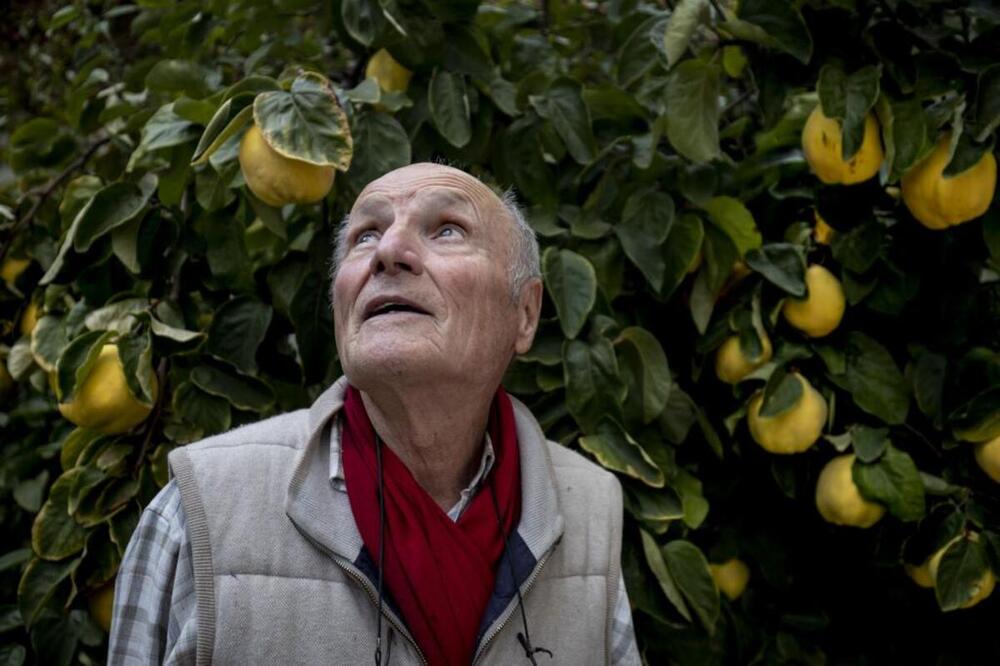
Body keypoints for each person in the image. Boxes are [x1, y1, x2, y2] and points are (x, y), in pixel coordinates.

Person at [108, 163, 640, 665]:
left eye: (447, 229)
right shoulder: (201, 508)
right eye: (365, 235)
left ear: (524, 314)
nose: (388, 251)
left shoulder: (591, 511)